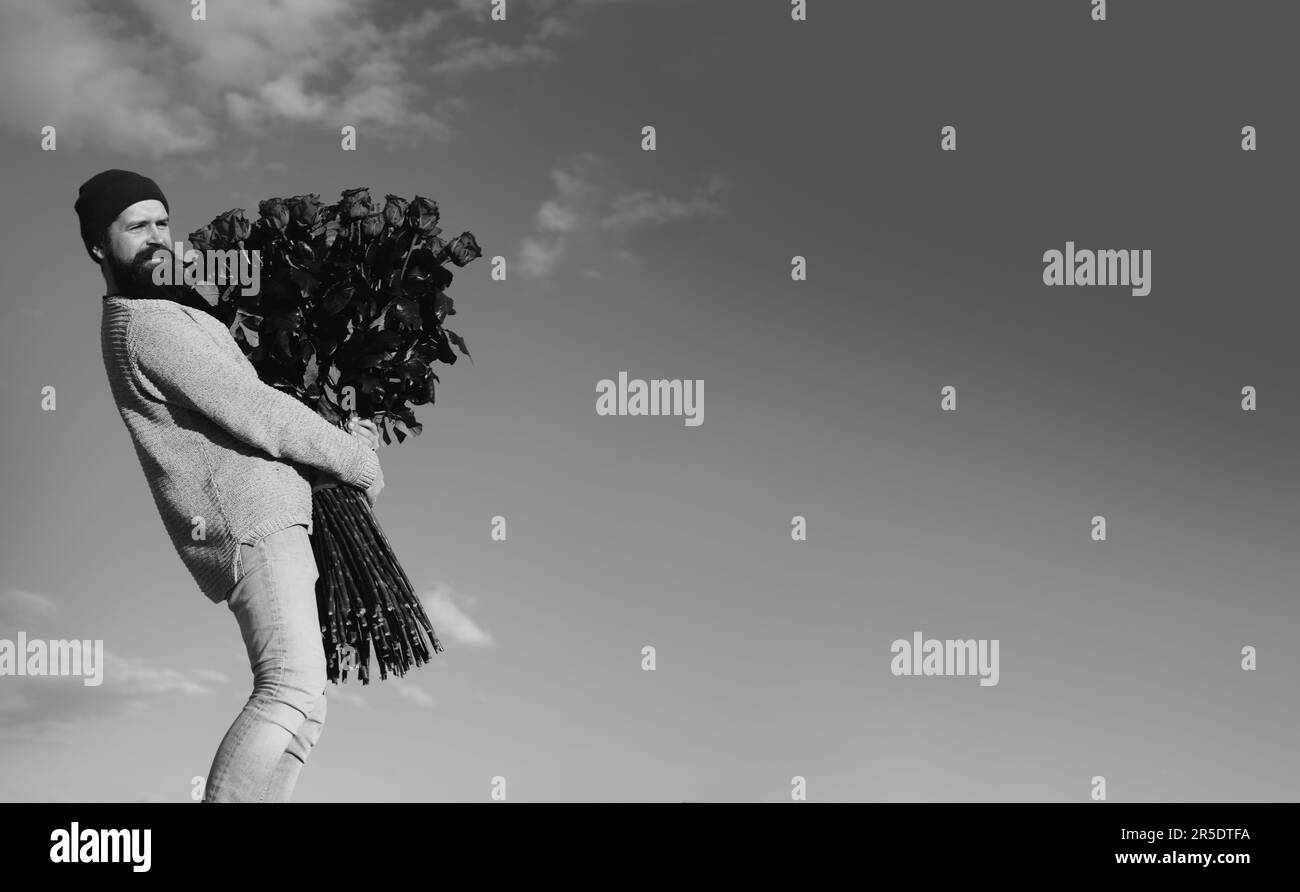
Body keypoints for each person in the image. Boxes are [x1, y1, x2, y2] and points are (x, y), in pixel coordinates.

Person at [79, 169, 383, 802]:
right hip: (252, 523)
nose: (158, 237)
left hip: (268, 519)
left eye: (163, 222)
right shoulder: (147, 325)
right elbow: (257, 409)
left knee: (306, 704)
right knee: (289, 689)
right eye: (136, 227)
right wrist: (355, 460)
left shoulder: (167, 312)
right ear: (98, 247)